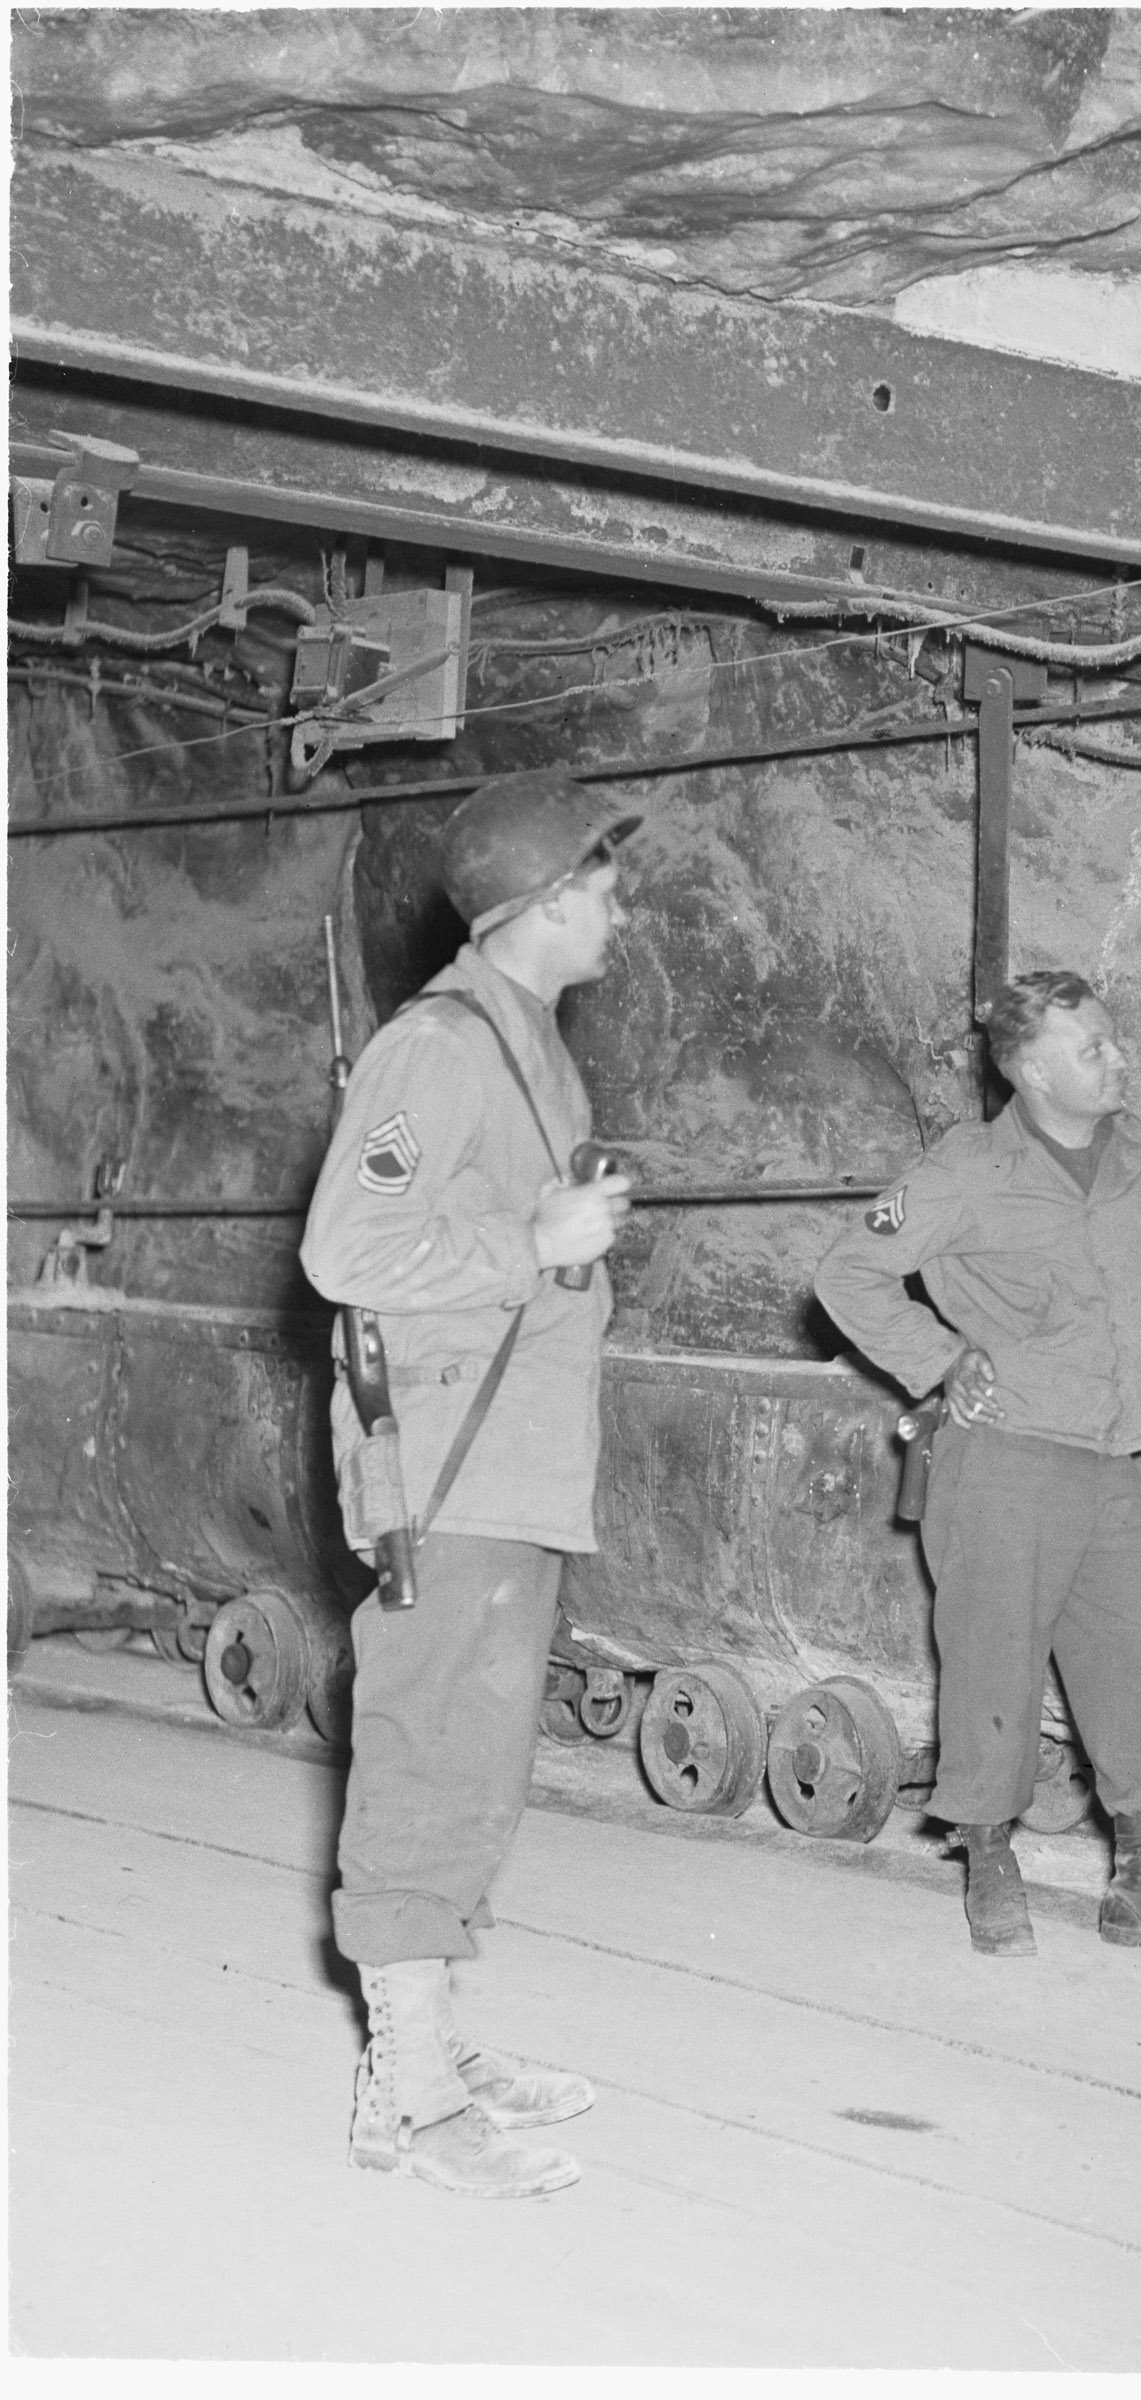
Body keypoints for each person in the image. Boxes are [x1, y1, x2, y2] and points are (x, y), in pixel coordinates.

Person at [813, 969, 1141, 1962]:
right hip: (1005, 1463)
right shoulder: (969, 1171)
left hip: (1113, 1463)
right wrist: (942, 1360)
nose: (1119, 1059)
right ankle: (991, 1867)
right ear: (1031, 1070)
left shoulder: (1137, 1160)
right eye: (1095, 1049)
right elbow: (845, 1272)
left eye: (1116, 1040)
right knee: (994, 1661)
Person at [302, 768, 641, 2197]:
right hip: (451, 1464)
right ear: (545, 900)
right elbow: (345, 1252)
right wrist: (534, 1238)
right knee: (435, 1752)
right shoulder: (437, 1049)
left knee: (479, 1759)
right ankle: (413, 2100)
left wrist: (552, 1229)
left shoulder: (530, 1041)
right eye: (606, 884)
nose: (622, 906)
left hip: (517, 1458)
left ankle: (425, 2042)